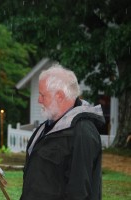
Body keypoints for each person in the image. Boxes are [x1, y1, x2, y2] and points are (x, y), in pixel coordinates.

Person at [20, 64, 105, 200]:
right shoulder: (47, 127)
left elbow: (79, 192)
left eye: (42, 95)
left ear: (59, 96)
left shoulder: (82, 133)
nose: (38, 100)